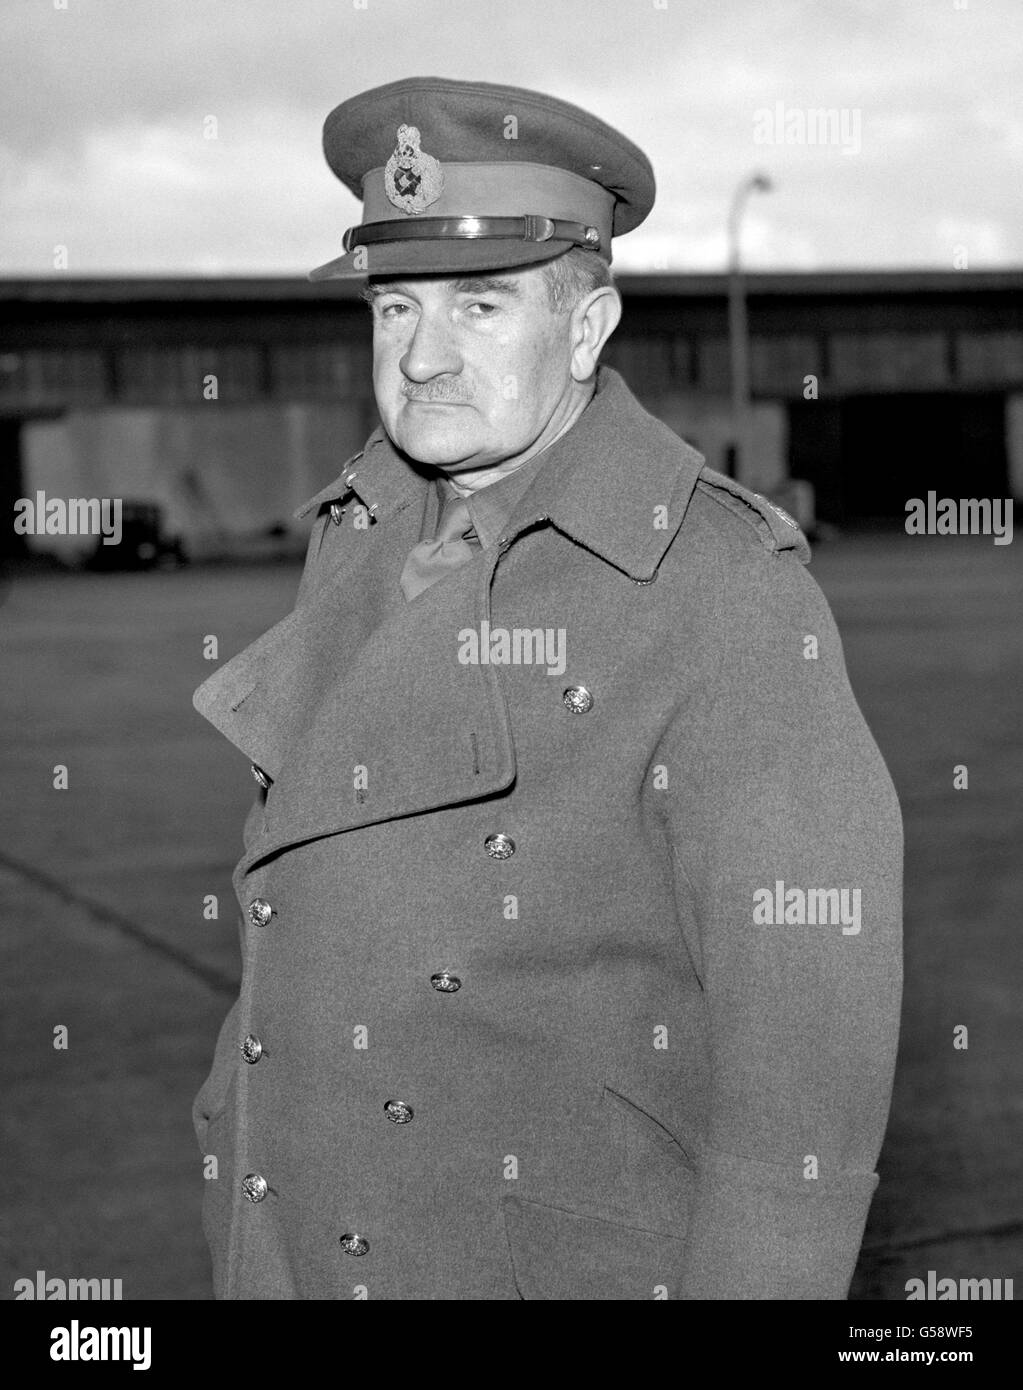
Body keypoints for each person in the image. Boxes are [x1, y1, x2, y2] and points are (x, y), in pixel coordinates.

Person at [192, 76, 903, 1300]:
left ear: (585, 330)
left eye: (479, 306)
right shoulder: (361, 531)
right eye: (394, 305)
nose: (420, 357)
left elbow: (803, 1094)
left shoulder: (721, 590)